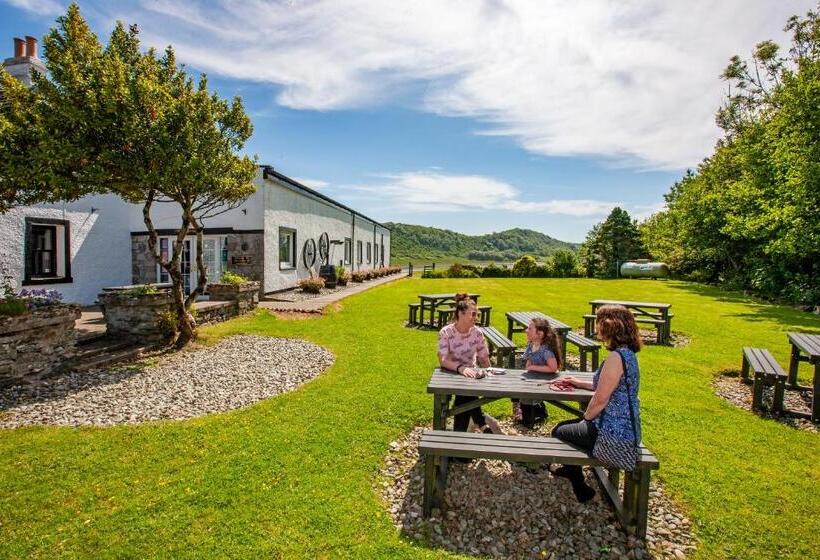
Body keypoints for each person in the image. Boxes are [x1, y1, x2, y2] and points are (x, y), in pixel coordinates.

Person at [549, 304, 643, 502]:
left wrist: (586, 418)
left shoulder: (616, 358)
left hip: (614, 434)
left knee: (559, 431)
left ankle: (579, 485)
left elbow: (600, 399)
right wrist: (577, 382)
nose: (596, 327)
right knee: (567, 428)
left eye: (599, 322)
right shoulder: (627, 354)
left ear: (610, 326)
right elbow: (604, 385)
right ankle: (572, 472)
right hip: (625, 428)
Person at [438, 293, 502, 434]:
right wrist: (460, 369)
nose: (476, 318)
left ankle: (460, 437)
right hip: (450, 373)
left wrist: (490, 373)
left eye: (477, 314)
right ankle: (481, 423)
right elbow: (443, 360)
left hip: (470, 375)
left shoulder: (477, 333)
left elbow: (484, 358)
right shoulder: (446, 332)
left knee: (464, 396)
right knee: (465, 394)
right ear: (461, 313)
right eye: (473, 314)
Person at [515, 318, 561, 427]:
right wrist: (529, 366)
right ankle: (534, 413)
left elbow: (553, 368)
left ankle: (531, 416)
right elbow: (529, 359)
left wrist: (533, 367)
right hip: (535, 377)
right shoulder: (532, 344)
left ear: (539, 334)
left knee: (526, 394)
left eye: (530, 329)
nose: (526, 330)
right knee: (519, 389)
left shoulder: (545, 350)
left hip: (546, 380)